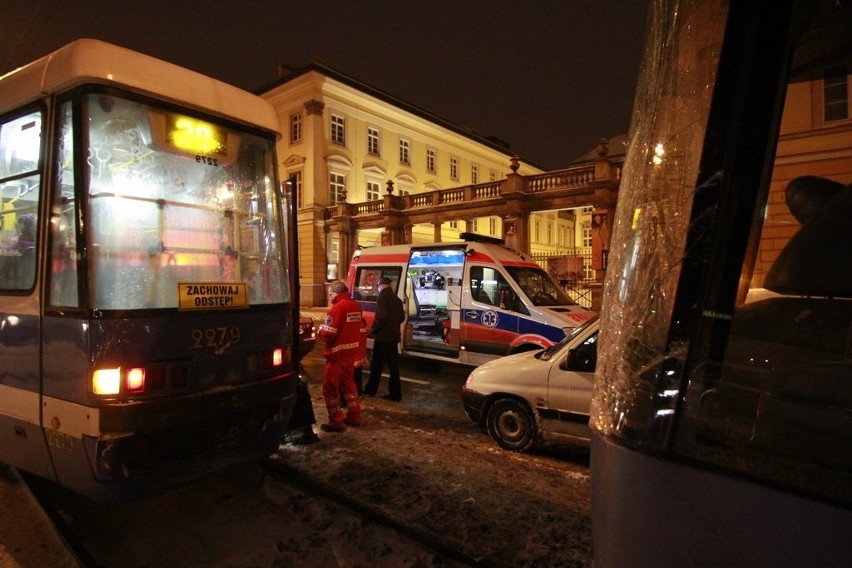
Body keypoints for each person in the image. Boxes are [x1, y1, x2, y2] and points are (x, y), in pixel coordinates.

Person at [317, 280, 363, 431]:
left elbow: (328, 333)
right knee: (349, 387)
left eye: (330, 294)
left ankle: (335, 421)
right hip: (350, 354)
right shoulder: (355, 305)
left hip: (336, 356)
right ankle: (354, 415)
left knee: (330, 389)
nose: (330, 297)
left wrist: (320, 330)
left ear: (336, 292)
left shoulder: (338, 308)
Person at [363, 276, 406, 401]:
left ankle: (371, 390)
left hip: (383, 338)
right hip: (393, 338)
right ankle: (396, 393)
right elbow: (402, 318)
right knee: (394, 368)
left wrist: (374, 330)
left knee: (376, 366)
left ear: (381, 286)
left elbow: (382, 317)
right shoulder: (397, 299)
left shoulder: (382, 298)